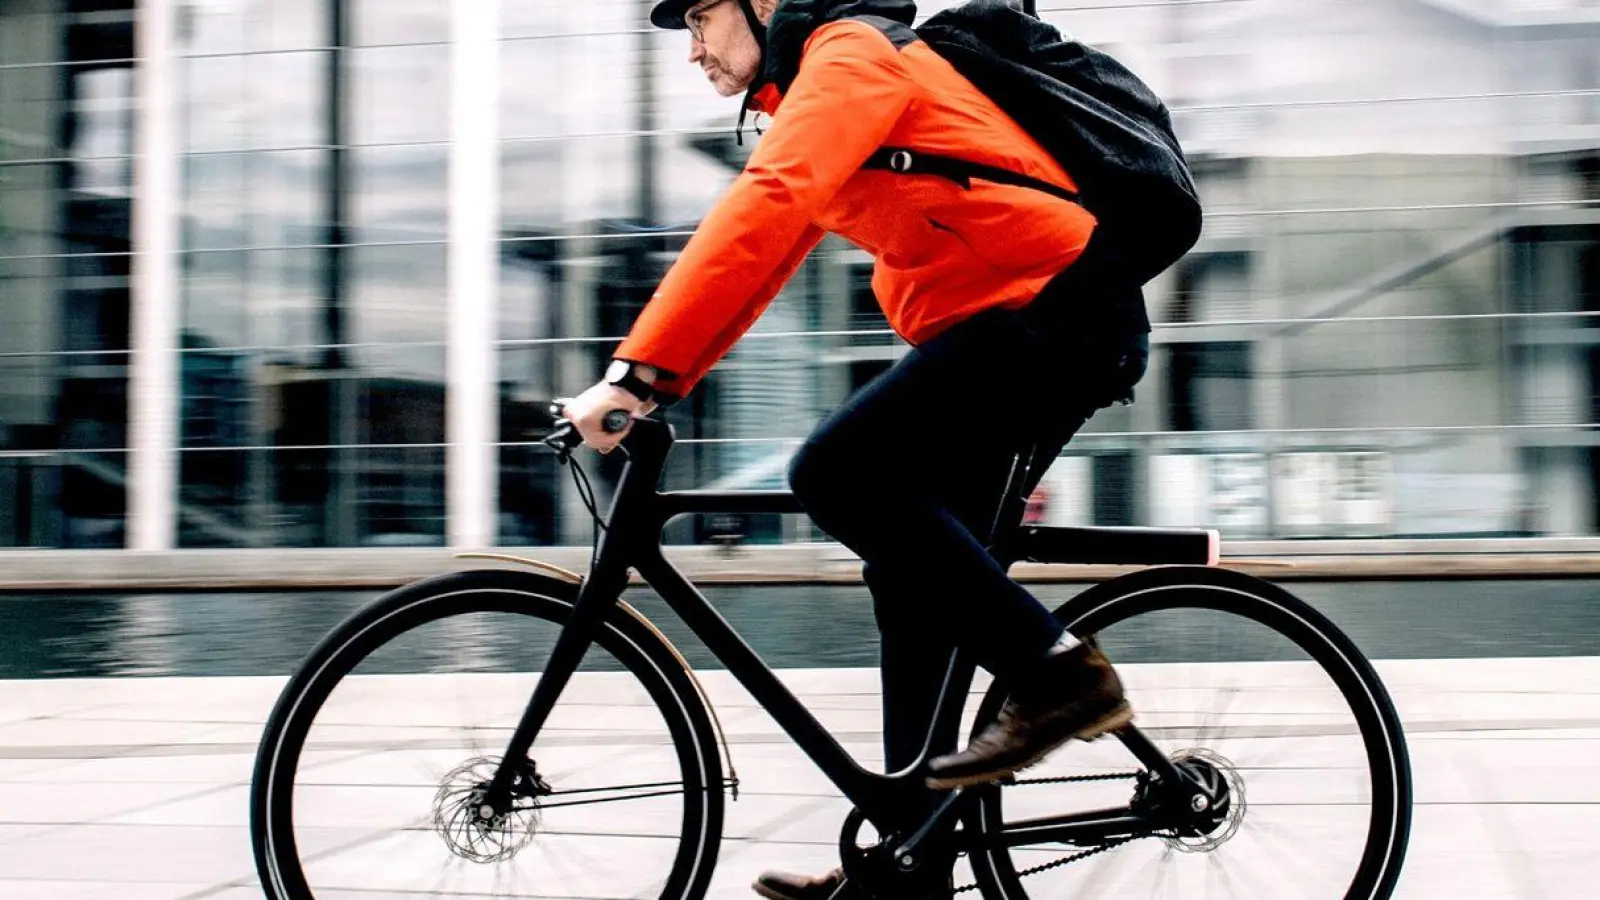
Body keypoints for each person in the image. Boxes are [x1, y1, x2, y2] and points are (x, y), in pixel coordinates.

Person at [562, 1, 1151, 896]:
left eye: (701, 16)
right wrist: (663, 379)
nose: (691, 50)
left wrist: (638, 372)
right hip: (1010, 326)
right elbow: (768, 254)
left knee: (835, 472)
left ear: (765, 1)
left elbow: (766, 205)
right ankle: (911, 862)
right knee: (910, 579)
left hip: (1057, 316)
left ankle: (1060, 676)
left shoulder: (855, 53)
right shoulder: (808, 89)